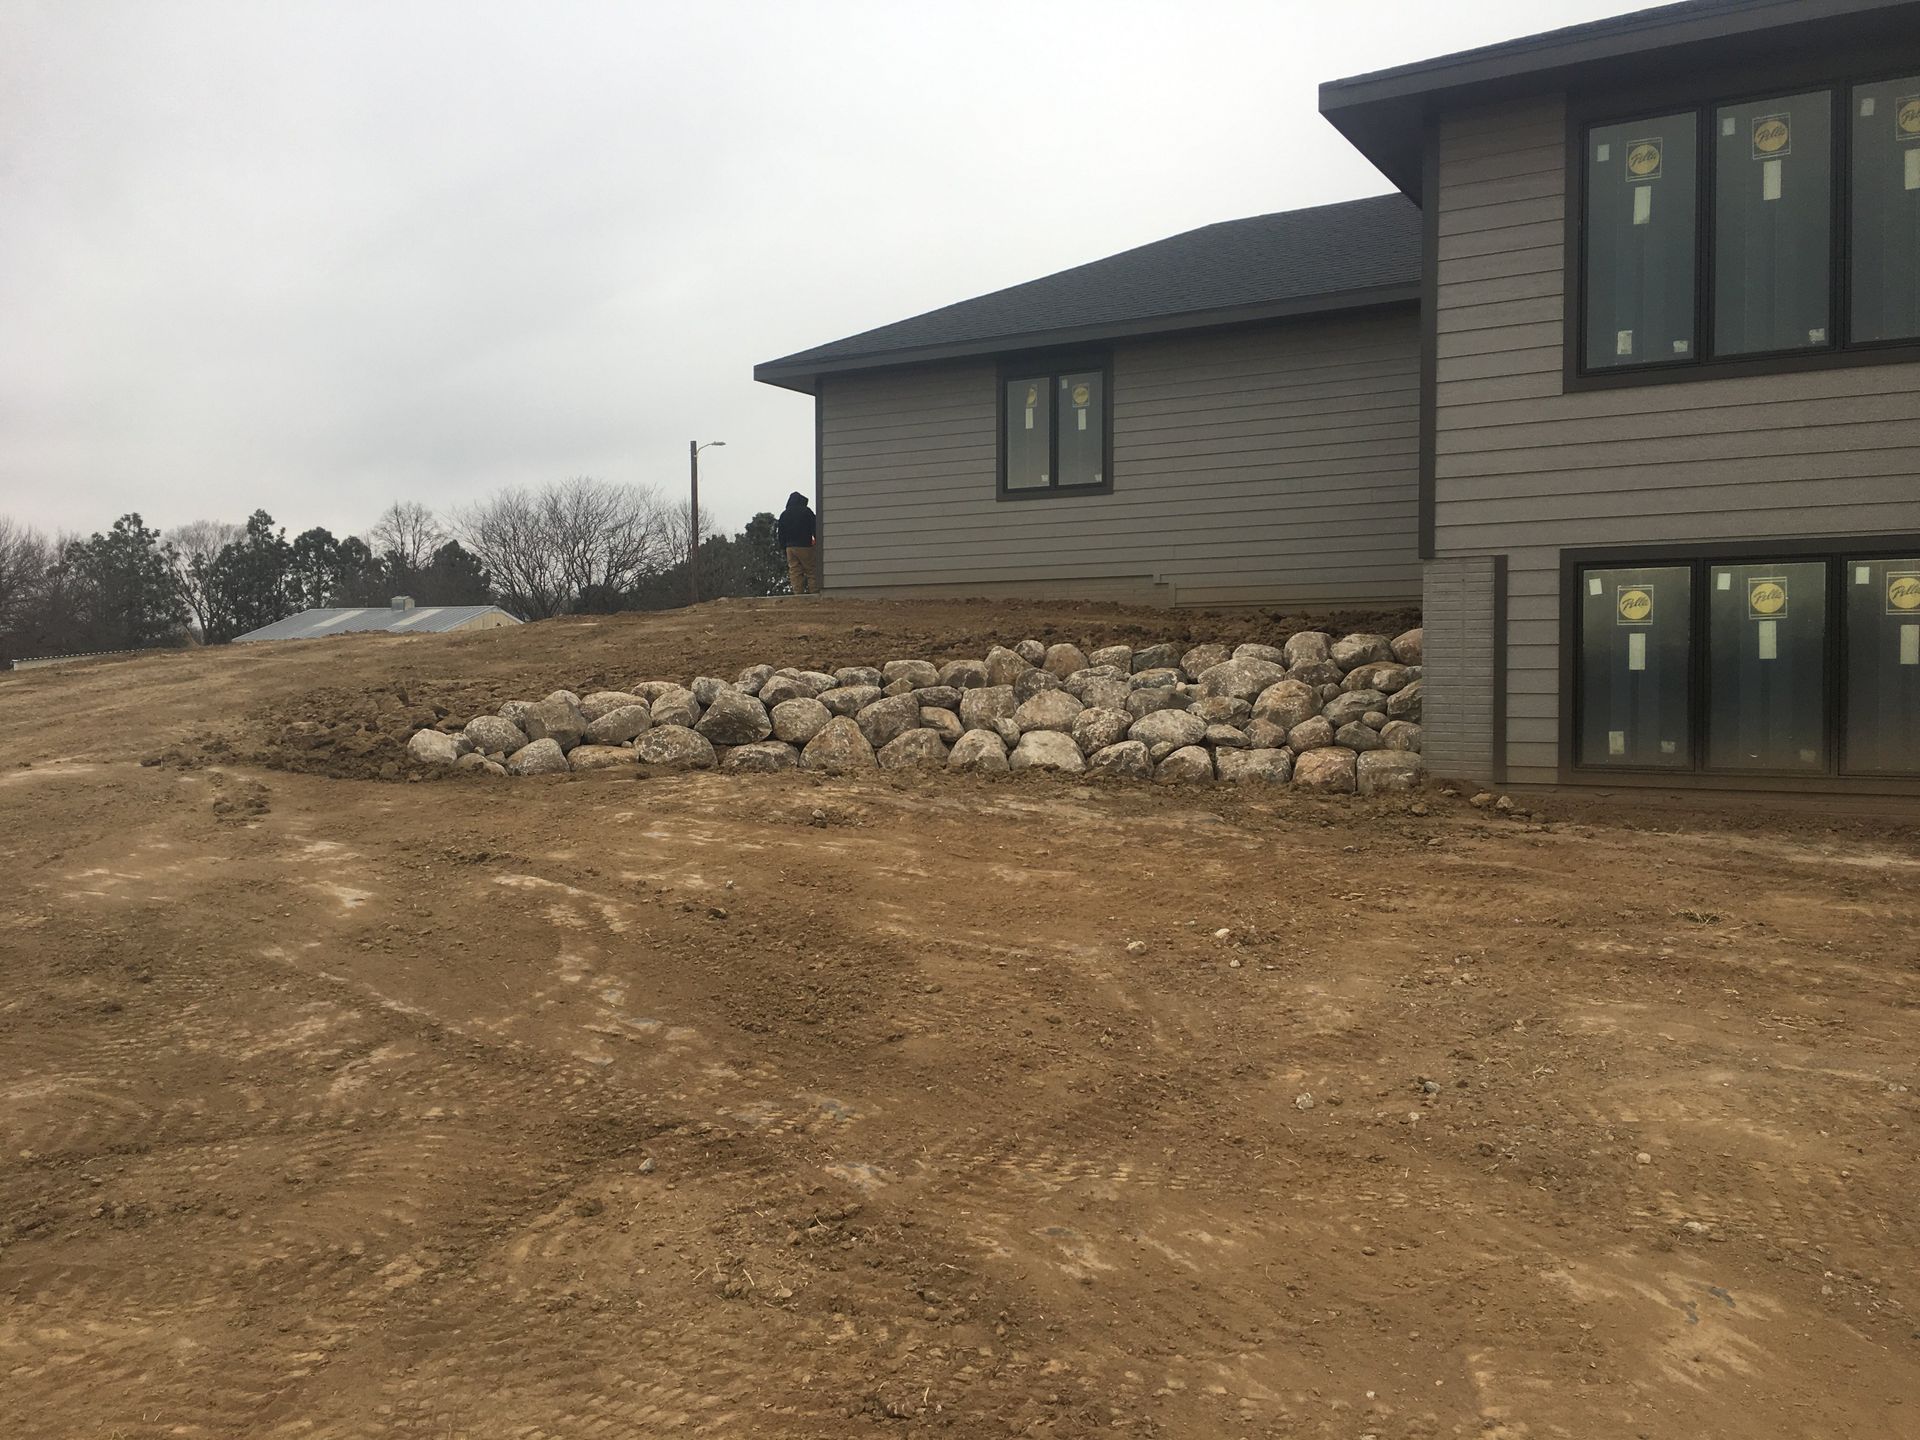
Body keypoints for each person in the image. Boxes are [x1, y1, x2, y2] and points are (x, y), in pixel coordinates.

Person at [778, 490, 819, 596]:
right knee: (811, 570)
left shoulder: (784, 514)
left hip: (789, 548)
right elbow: (815, 527)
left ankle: (798, 594)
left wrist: (784, 547)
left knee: (794, 571)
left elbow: (781, 533)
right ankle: (814, 592)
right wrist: (817, 539)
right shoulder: (806, 511)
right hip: (805, 545)